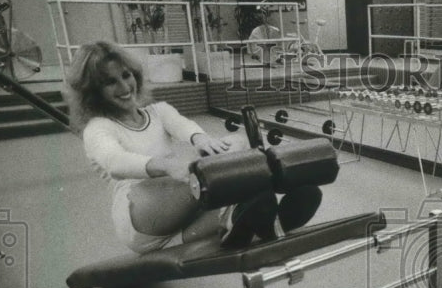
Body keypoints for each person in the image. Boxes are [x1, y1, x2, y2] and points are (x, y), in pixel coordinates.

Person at [63, 41, 281, 254]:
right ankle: (266, 186)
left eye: (126, 75)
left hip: (180, 208)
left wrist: (203, 140)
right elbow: (115, 163)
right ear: (92, 91)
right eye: (109, 82)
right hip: (143, 213)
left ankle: (238, 218)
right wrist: (166, 166)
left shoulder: (159, 111)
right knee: (211, 173)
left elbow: (184, 126)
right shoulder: (98, 127)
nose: (124, 87)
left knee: (237, 142)